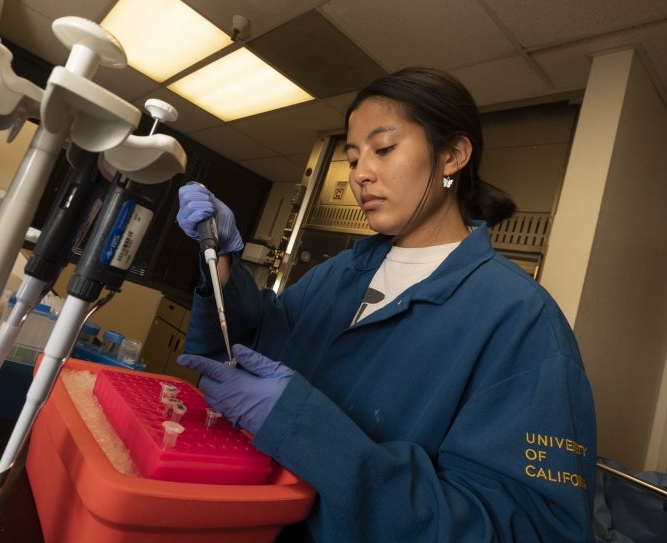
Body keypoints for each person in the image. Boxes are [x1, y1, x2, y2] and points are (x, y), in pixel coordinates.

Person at [175, 67, 597, 542]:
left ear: (453, 156)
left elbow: (526, 529)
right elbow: (257, 347)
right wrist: (223, 265)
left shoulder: (521, 320)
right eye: (353, 158)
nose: (360, 174)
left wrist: (305, 429)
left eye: (384, 149)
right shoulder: (340, 272)